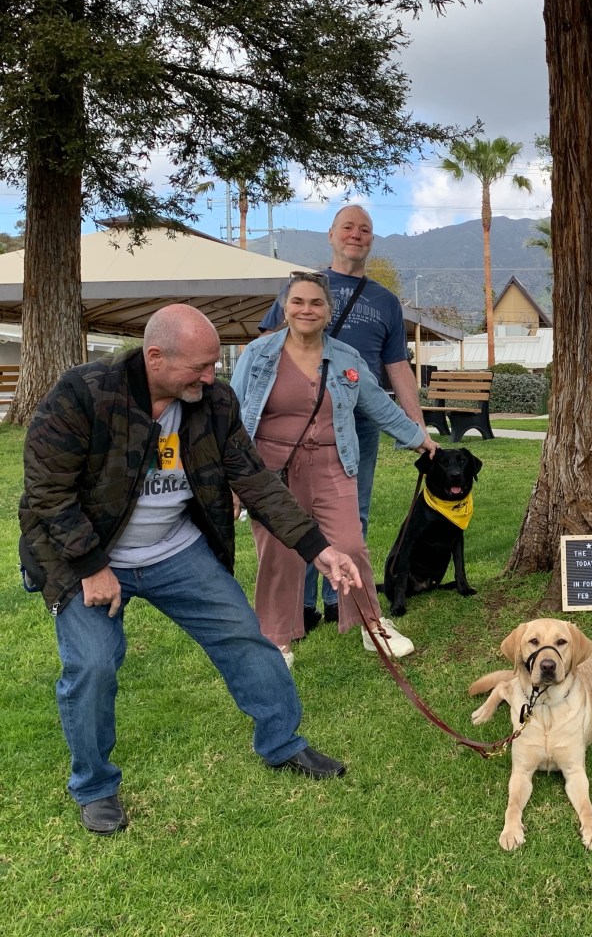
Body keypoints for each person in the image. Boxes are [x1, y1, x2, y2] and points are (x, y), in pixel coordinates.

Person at [19, 305, 362, 835]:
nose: (211, 376)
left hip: (174, 551)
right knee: (92, 666)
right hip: (89, 555)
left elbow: (254, 480)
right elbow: (46, 491)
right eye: (199, 367)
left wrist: (317, 548)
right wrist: (91, 566)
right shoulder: (84, 393)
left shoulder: (214, 402)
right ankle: (95, 787)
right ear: (155, 357)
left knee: (245, 636)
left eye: (213, 365)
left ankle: (283, 743)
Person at [234, 271, 438, 664]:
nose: (306, 310)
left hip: (333, 464)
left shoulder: (346, 358)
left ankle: (371, 624)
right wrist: (235, 477)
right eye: (298, 302)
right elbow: (237, 415)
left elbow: (378, 404)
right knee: (279, 553)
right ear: (284, 308)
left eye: (316, 303)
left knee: (349, 545)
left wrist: (419, 438)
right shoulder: (258, 355)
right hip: (272, 473)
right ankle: (276, 639)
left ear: (329, 311)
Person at [259, 204, 426, 630]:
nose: (357, 234)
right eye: (348, 227)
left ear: (371, 240)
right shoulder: (303, 289)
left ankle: (340, 599)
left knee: (354, 514)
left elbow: (397, 368)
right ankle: (300, 606)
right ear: (331, 235)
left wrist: (417, 428)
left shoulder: (386, 301)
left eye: (365, 229)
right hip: (301, 424)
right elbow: (267, 349)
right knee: (298, 514)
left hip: (359, 424)